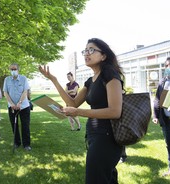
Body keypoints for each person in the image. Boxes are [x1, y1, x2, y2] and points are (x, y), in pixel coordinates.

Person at [39, 38, 124, 184]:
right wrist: (54, 80)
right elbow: (72, 102)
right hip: (94, 135)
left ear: (103, 56)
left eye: (92, 50)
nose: (86, 53)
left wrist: (78, 112)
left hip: (108, 137)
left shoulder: (110, 74)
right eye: (85, 50)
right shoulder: (90, 81)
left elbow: (115, 111)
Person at [3, 63, 32, 151]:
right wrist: (11, 104)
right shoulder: (7, 79)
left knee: (25, 125)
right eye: (11, 69)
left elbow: (25, 92)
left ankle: (26, 144)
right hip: (12, 106)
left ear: (18, 70)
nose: (13, 71)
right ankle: (17, 142)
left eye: (14, 69)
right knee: (14, 125)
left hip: (23, 106)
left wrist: (20, 103)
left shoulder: (23, 79)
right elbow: (5, 93)